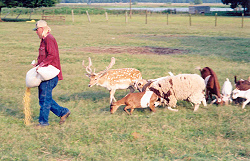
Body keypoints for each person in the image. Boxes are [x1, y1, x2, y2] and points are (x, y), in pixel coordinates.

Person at [33, 20, 70, 127]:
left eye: (37, 30)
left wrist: (42, 65)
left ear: (42, 29)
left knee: (44, 99)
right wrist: (38, 64)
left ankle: (43, 123)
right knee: (44, 98)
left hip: (50, 75)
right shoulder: (44, 40)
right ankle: (63, 112)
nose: (36, 32)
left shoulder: (49, 39)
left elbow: (52, 55)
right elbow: (45, 56)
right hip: (45, 73)